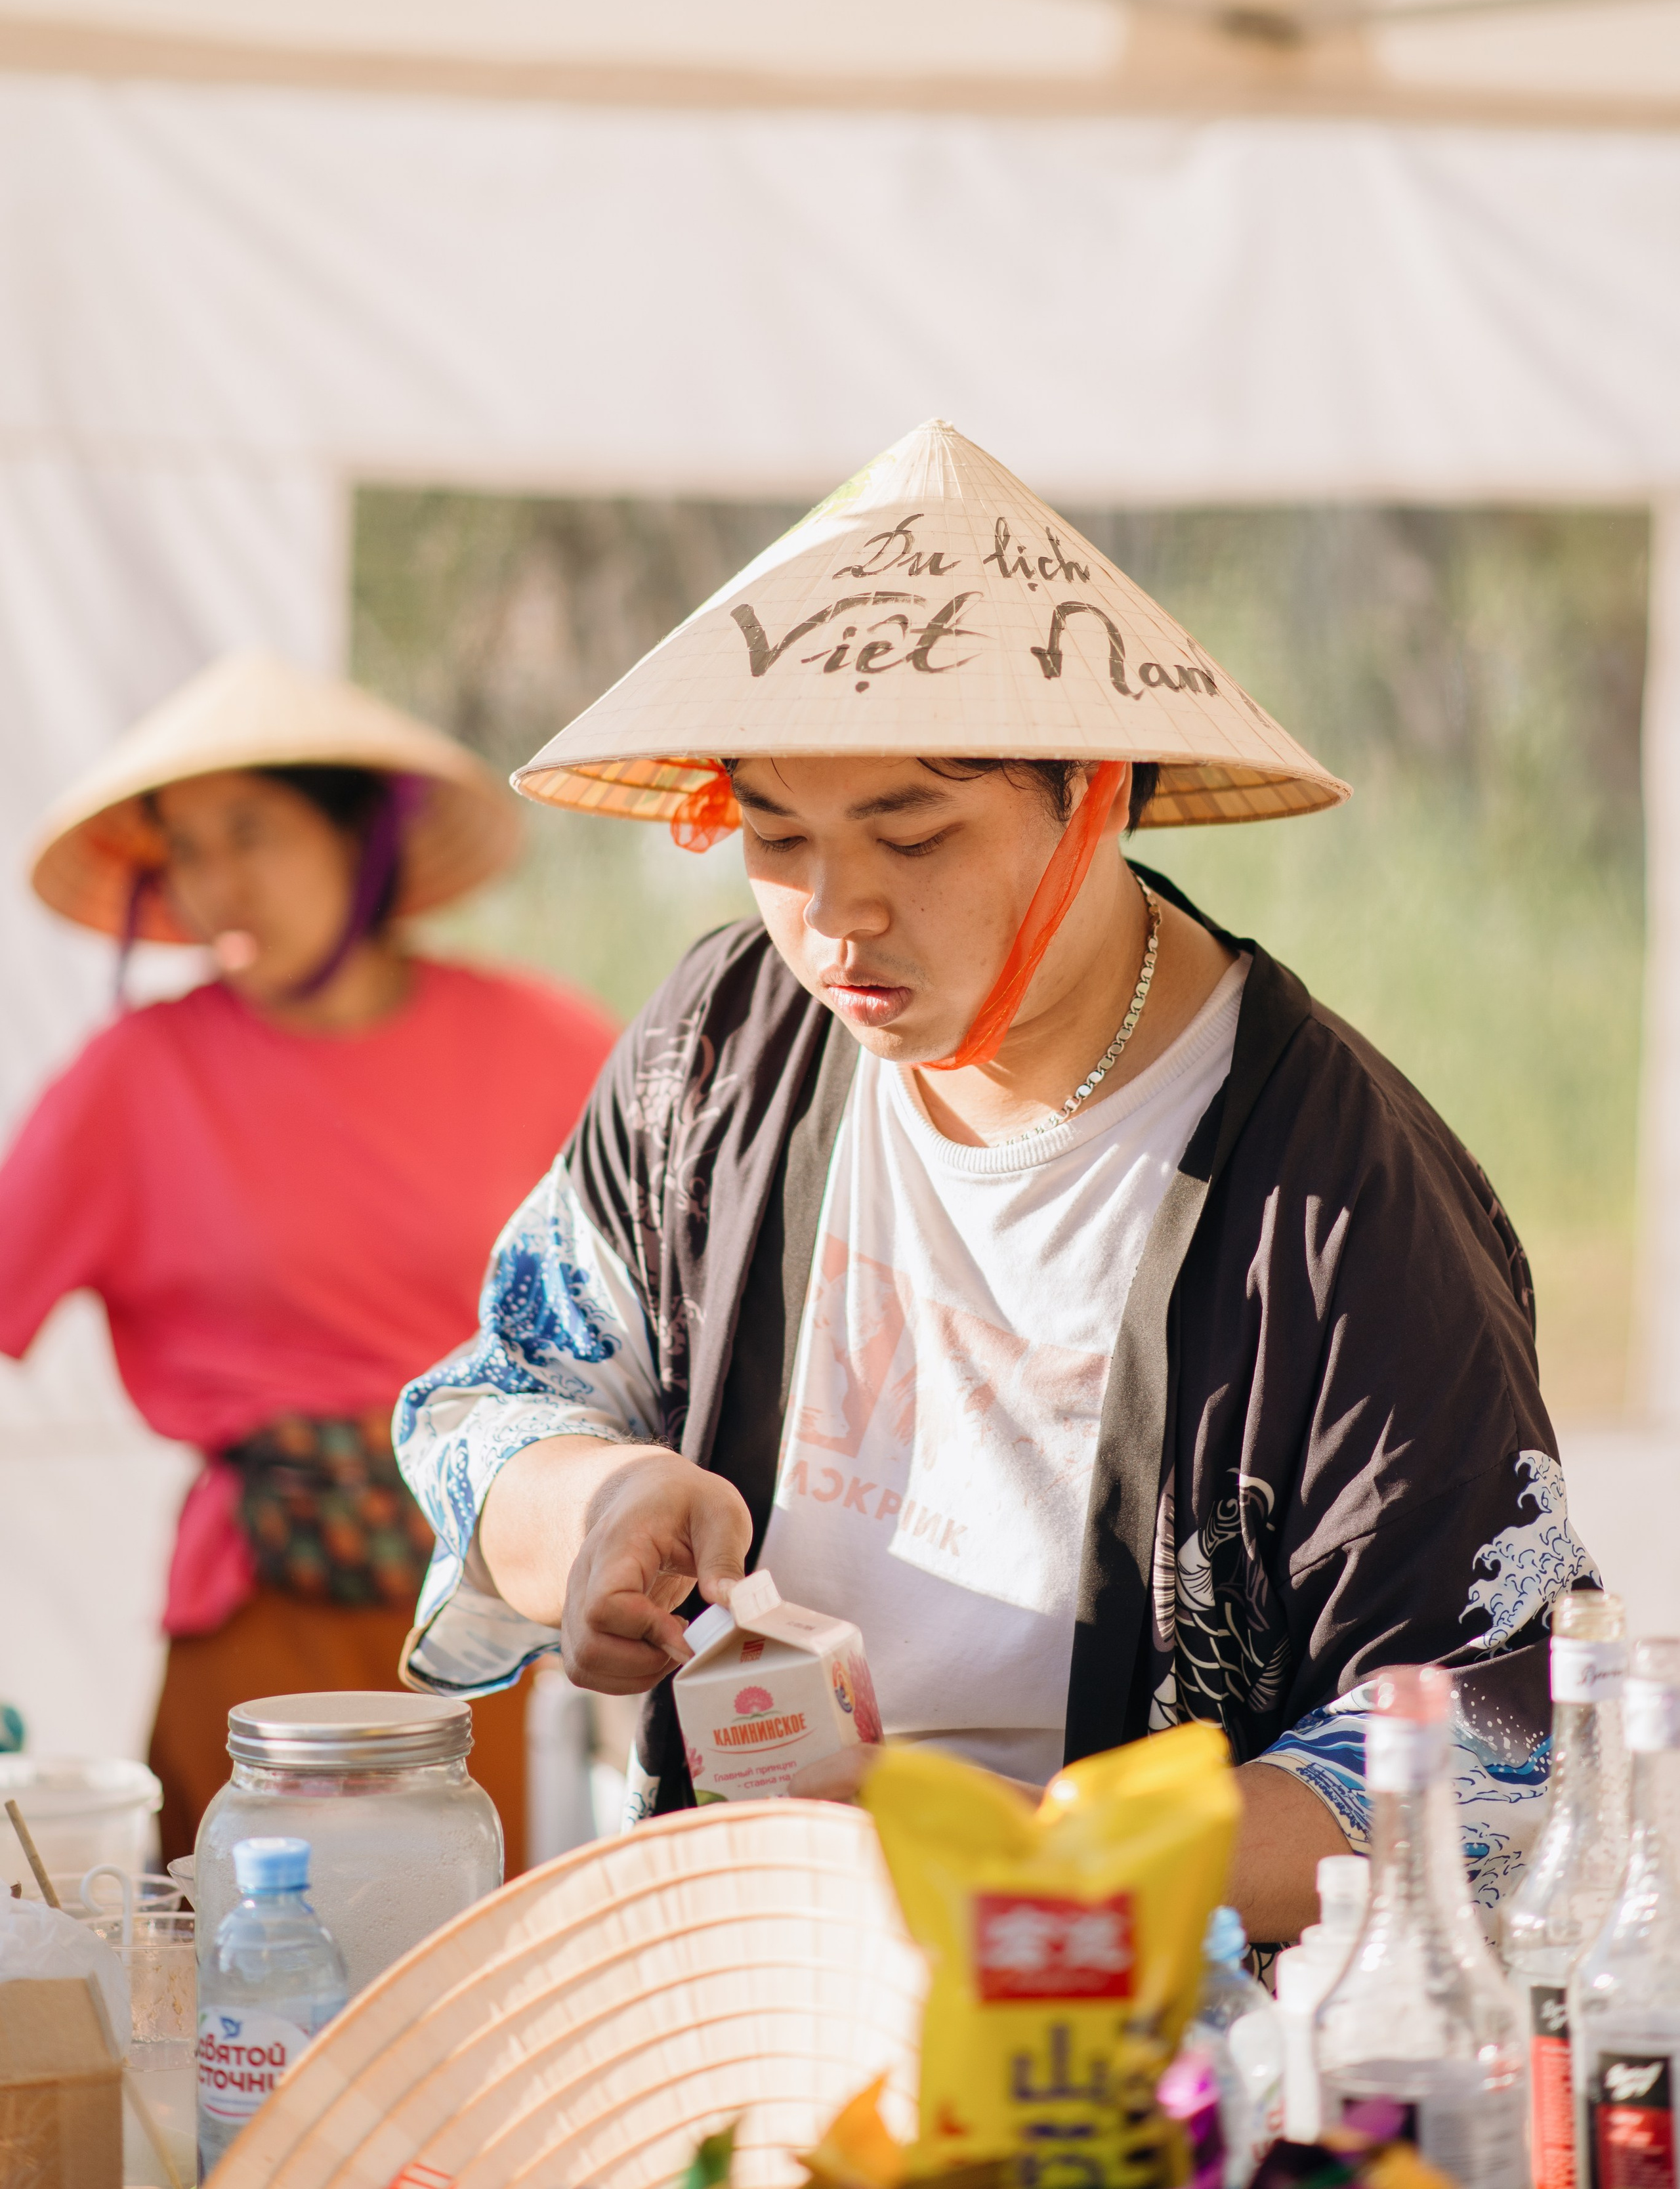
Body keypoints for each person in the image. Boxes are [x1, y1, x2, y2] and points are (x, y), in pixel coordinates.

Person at [395, 420, 1589, 1943]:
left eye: (914, 829)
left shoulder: (1341, 1205)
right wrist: (595, 1507)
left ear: (1092, 798)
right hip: (743, 1966)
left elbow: (1485, 1749)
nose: (836, 917)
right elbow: (480, 1403)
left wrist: (1032, 1863)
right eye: (775, 833)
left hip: (1131, 2037)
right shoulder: (716, 1051)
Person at [0, 650, 617, 1869]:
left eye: (252, 834)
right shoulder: (134, 1080)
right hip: (259, 1615)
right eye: (185, 846)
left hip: (493, 1602)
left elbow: (681, 1295)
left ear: (360, 840)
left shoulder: (543, 1042)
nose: (215, 881)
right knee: (243, 1993)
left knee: (483, 1981)